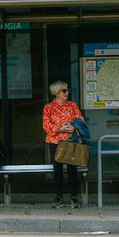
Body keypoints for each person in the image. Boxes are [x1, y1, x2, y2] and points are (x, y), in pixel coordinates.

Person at [42, 79, 84, 209]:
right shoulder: (48, 107)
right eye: (64, 90)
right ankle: (58, 197)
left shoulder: (72, 105)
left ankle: (74, 197)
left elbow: (80, 119)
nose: (67, 92)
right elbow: (46, 124)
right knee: (57, 170)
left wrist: (72, 127)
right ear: (57, 92)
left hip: (70, 140)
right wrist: (60, 128)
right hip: (55, 141)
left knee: (72, 169)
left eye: (67, 90)